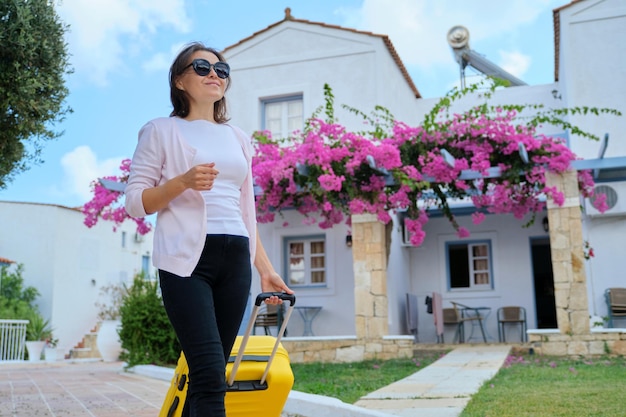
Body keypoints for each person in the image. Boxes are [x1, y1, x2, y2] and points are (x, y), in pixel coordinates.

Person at [124, 42, 293, 417]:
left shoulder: (238, 138)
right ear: (180, 81)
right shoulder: (160, 130)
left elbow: (246, 211)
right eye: (201, 67)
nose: (214, 74)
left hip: (235, 259)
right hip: (186, 260)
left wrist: (265, 268)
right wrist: (181, 182)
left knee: (212, 374)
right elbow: (135, 202)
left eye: (221, 69)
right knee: (207, 374)